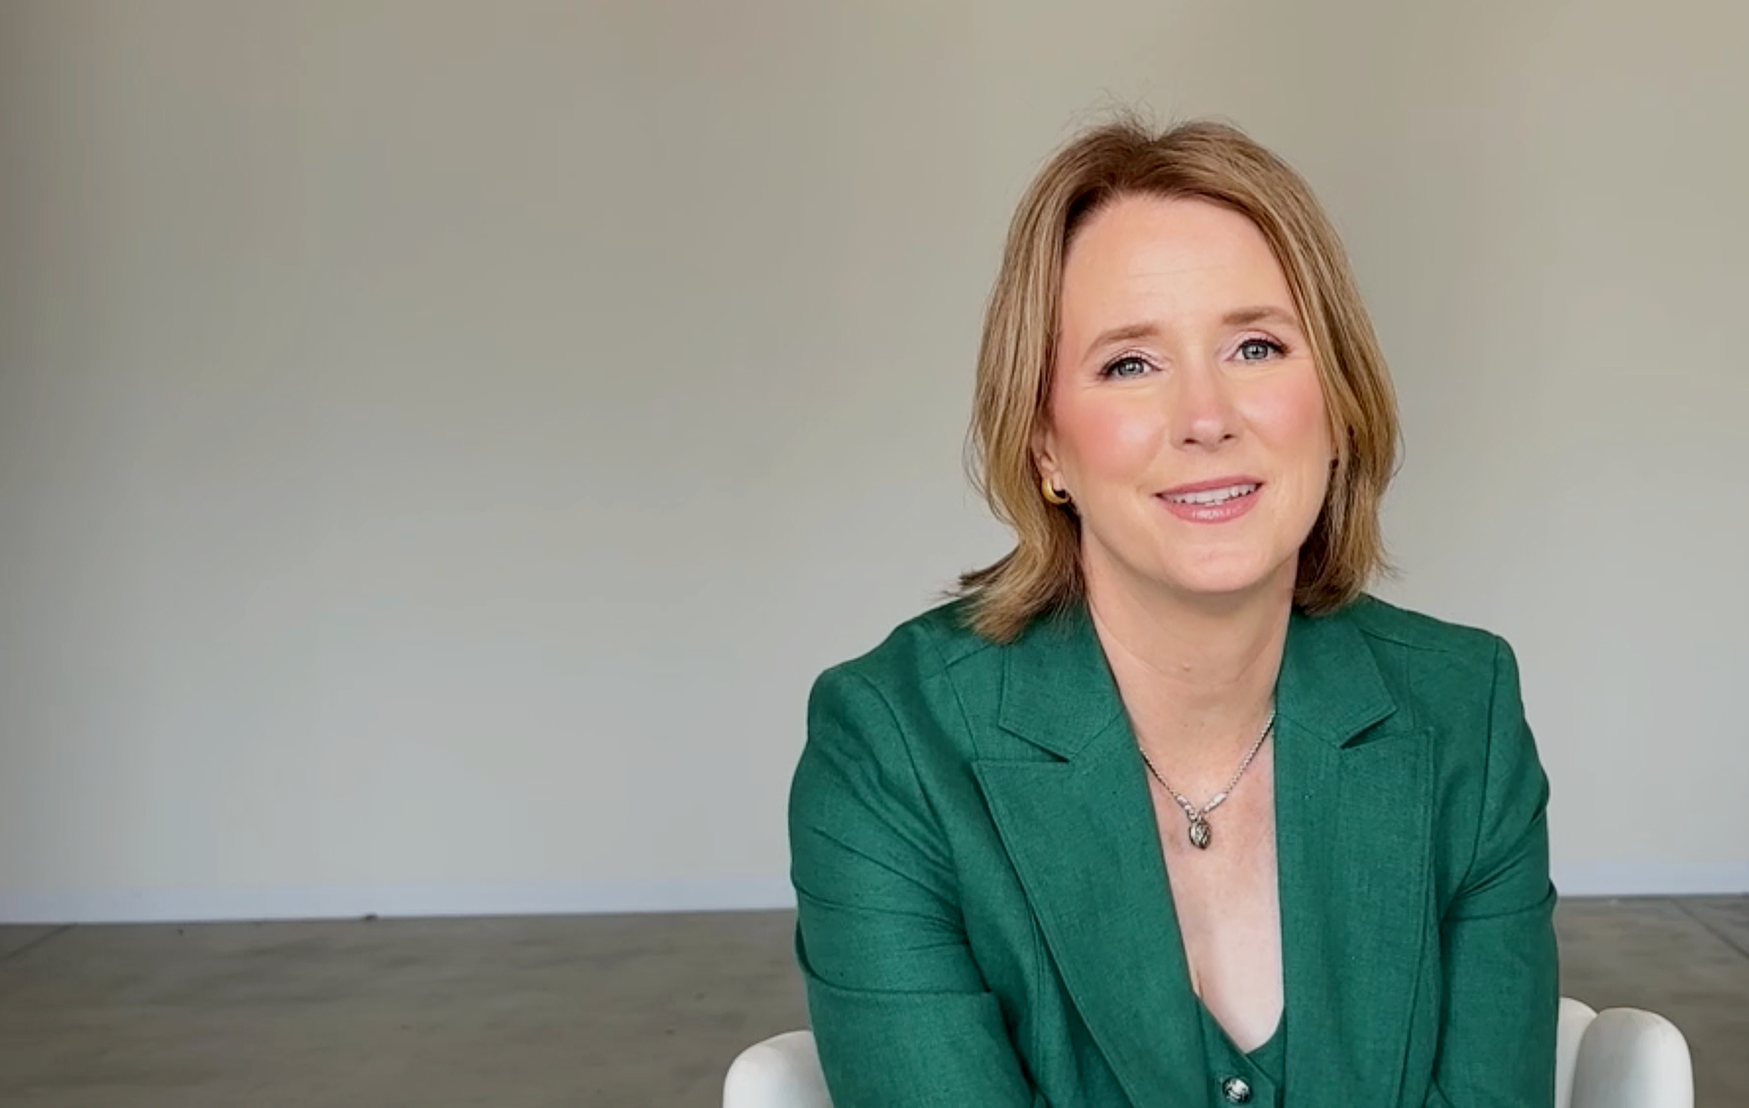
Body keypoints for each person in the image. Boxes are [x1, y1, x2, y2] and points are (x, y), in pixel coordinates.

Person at [787, 117, 1557, 1108]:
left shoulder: (1465, 714)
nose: (1205, 417)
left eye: (1255, 346)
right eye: (1129, 364)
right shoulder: (893, 746)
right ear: (1046, 445)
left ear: (1337, 405)